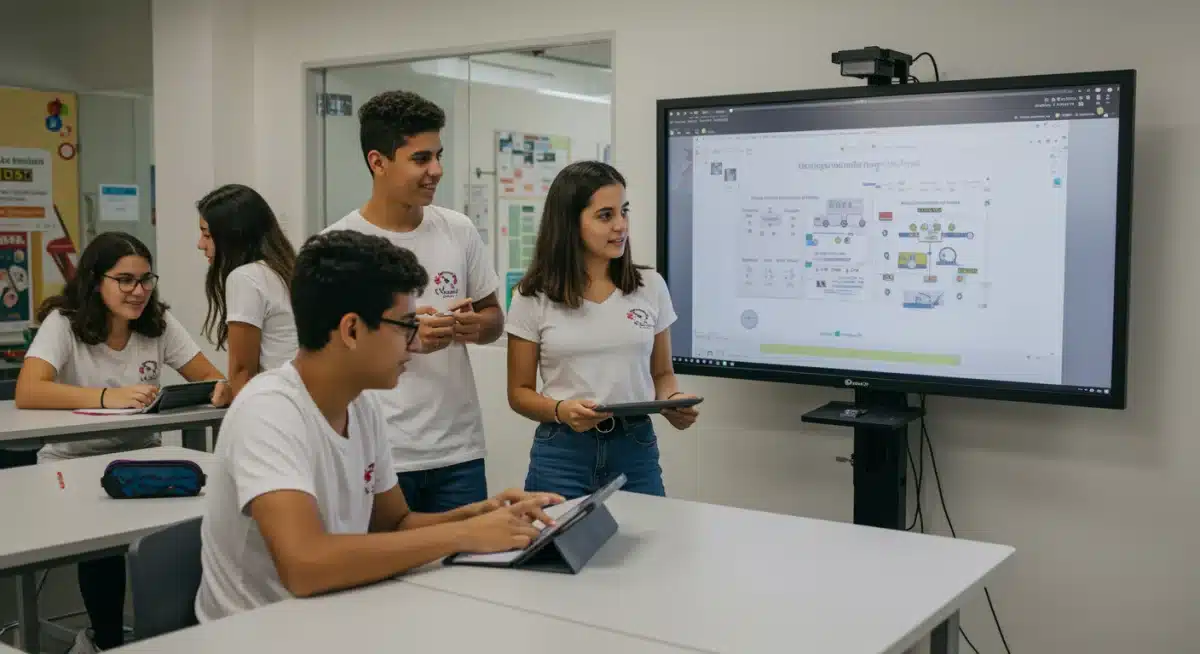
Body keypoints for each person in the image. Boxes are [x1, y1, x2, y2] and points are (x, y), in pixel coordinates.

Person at [195, 230, 560, 622]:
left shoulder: (362, 403)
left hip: (334, 617)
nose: (415, 342)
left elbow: (394, 524)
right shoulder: (269, 410)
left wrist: (478, 514)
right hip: (257, 636)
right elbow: (305, 565)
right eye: (406, 325)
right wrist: (463, 535)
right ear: (351, 330)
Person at [15, 231, 230, 653]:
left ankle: (177, 635)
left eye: (146, 279)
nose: (139, 291)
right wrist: (105, 397)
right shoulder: (65, 322)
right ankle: (105, 639)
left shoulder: (158, 324)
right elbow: (29, 390)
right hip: (71, 460)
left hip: (141, 457)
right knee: (101, 545)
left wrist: (219, 388)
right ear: (97, 281)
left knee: (190, 529)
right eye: (125, 280)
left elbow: (209, 376)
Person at [323, 90, 502, 512]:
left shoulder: (458, 230)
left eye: (438, 156)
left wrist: (477, 326)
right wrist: (403, 334)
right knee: (385, 570)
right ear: (378, 161)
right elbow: (326, 350)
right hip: (379, 449)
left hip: (459, 451)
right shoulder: (338, 246)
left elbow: (494, 317)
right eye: (421, 159)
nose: (436, 170)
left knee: (466, 571)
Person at [505, 161, 700, 499]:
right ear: (570, 223)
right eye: (605, 215)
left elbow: (663, 374)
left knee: (649, 547)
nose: (621, 226)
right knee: (556, 551)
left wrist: (672, 402)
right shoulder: (531, 296)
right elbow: (519, 393)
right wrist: (559, 411)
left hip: (635, 447)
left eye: (624, 212)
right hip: (562, 452)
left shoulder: (650, 286)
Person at [197, 183, 299, 397]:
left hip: (277, 405)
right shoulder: (286, 269)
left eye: (206, 235)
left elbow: (243, 371)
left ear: (231, 235)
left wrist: (233, 394)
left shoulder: (245, 277)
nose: (200, 244)